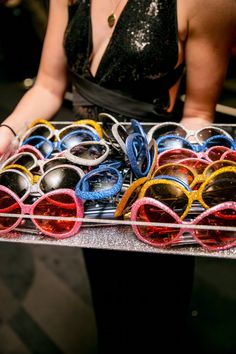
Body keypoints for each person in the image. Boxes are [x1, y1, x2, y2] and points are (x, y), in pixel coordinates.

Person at [0, 0, 235, 353]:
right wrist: (7, 130)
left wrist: (180, 182)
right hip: (87, 179)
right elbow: (48, 86)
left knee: (154, 318)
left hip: (154, 185)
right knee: (109, 306)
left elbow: (198, 113)